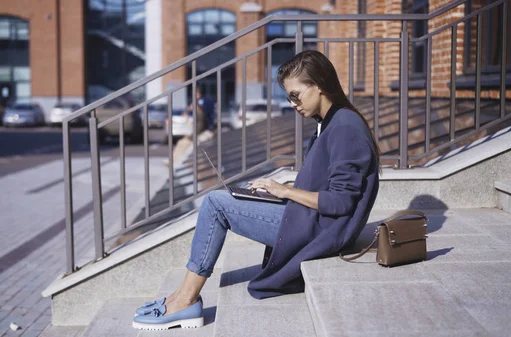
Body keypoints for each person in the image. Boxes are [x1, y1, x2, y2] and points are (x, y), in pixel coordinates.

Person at [132, 50, 381, 330]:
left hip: (322, 230)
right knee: (225, 198)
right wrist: (279, 192)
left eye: (296, 95)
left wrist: (285, 192)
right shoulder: (330, 121)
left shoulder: (345, 126)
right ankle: (178, 296)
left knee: (216, 204)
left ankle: (186, 300)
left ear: (319, 86)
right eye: (289, 97)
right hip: (310, 217)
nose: (293, 104)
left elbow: (341, 202)